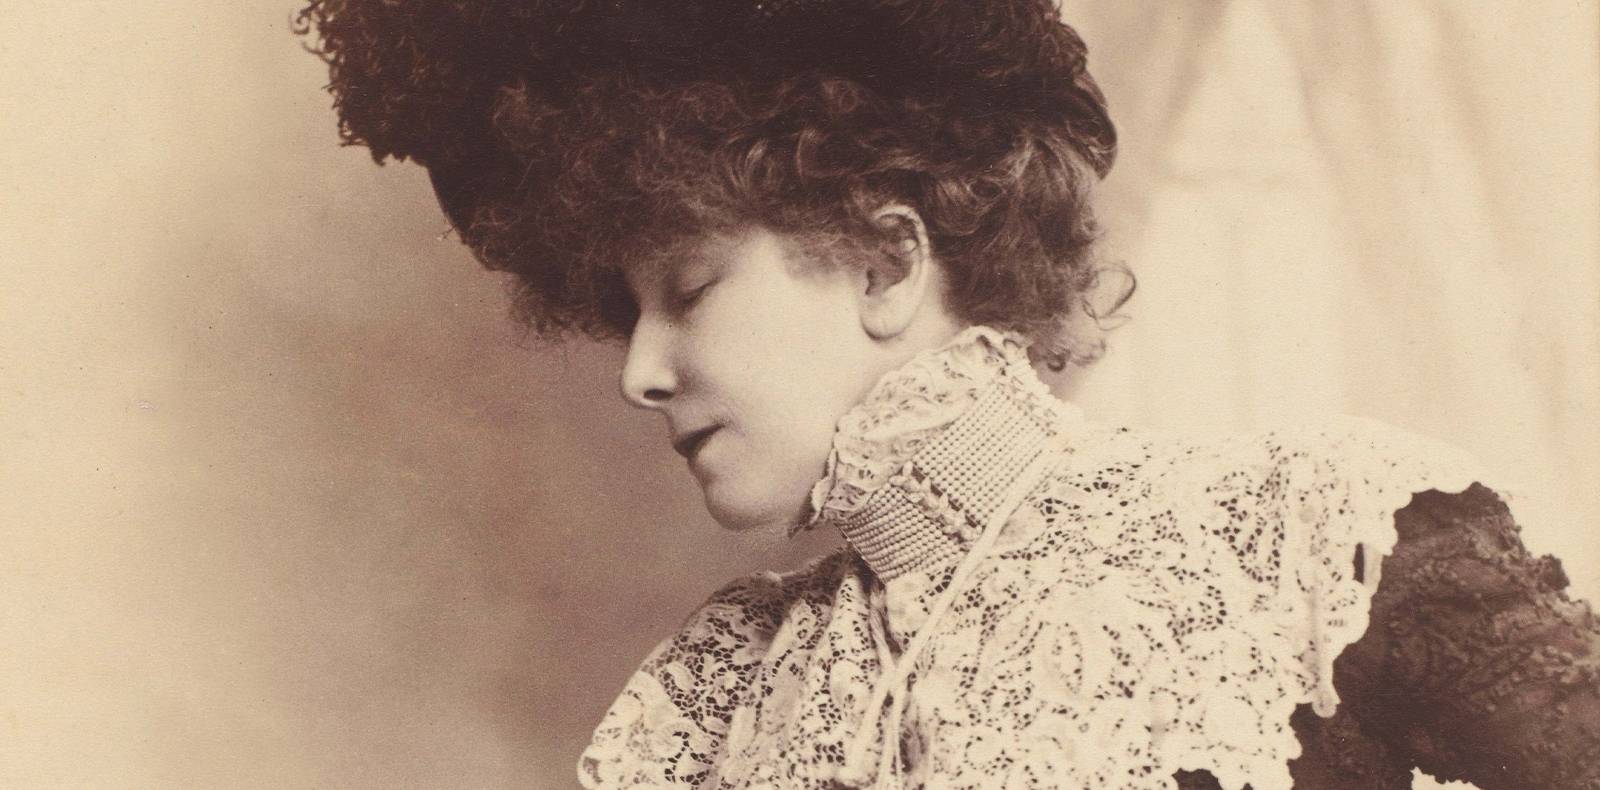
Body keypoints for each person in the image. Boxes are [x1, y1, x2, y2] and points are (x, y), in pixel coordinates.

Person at [297, 1, 1600, 787]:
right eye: (625, 313)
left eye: (686, 290)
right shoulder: (706, 708)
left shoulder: (1309, 536)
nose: (640, 371)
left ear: (886, 260)